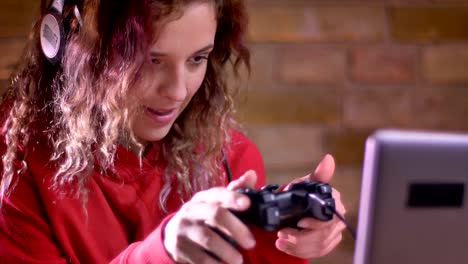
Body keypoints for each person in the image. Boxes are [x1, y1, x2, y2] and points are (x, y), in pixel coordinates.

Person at [0, 0, 347, 263]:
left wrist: (284, 234)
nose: (178, 91)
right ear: (78, 49)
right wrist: (164, 251)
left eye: (197, 59)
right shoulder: (17, 162)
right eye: (151, 61)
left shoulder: (230, 158)